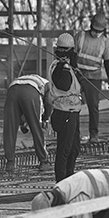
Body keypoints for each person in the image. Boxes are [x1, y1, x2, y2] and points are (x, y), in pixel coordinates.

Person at [74, 13, 109, 144]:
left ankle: (94, 134)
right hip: (77, 75)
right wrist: (74, 68)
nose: (97, 33)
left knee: (93, 107)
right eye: (95, 30)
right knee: (73, 104)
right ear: (91, 26)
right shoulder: (80, 36)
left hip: (94, 77)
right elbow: (72, 55)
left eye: (100, 31)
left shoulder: (105, 42)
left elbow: (108, 60)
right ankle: (74, 133)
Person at [49, 33, 83, 181]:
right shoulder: (59, 68)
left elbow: (77, 85)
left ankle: (69, 177)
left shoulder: (69, 68)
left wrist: (73, 68)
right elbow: (63, 85)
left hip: (73, 112)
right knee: (64, 150)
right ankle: (62, 183)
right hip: (64, 113)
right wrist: (65, 66)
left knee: (74, 149)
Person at [3, 74, 53, 172]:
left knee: (10, 128)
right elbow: (49, 103)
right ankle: (44, 162)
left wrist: (22, 123)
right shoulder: (47, 85)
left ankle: (10, 163)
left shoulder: (30, 79)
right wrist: (45, 119)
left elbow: (20, 111)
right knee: (36, 128)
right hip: (30, 92)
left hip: (12, 91)